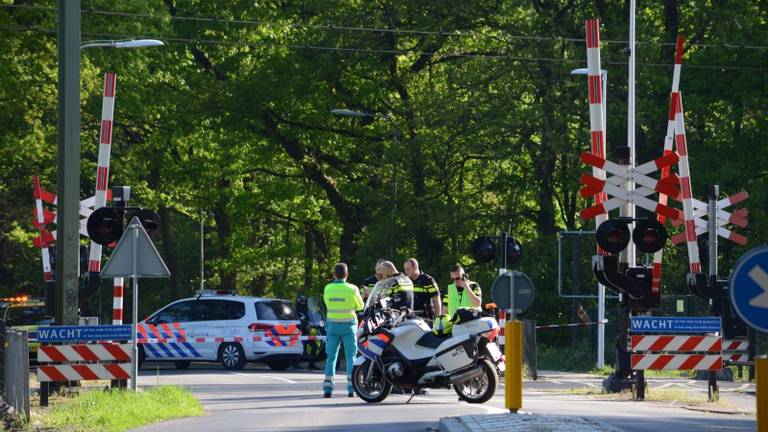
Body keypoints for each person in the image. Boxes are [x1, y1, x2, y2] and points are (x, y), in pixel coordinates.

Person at [322, 262, 364, 398]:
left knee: (331, 357)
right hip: (349, 326)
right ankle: (352, 388)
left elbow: (327, 304)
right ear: (347, 274)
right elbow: (360, 306)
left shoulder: (327, 288)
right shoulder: (353, 289)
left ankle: (328, 388)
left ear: (334, 275)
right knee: (351, 356)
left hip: (333, 326)